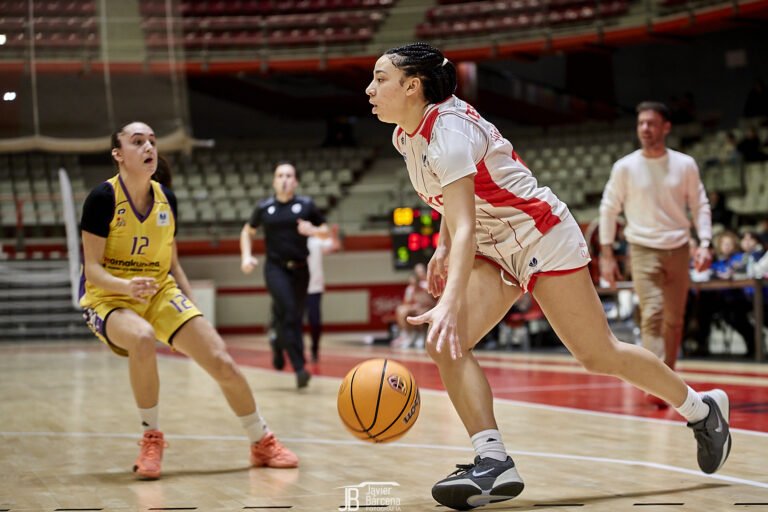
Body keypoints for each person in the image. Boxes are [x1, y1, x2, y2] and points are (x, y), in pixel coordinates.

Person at [365, 43, 731, 511]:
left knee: (598, 354)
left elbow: (467, 226)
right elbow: (453, 202)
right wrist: (439, 245)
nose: (370, 89)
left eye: (380, 78)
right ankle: (492, 460)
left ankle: (702, 411)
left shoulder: (450, 132)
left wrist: (449, 298)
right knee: (446, 343)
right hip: (495, 245)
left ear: (412, 86)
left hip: (540, 235)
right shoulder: (405, 135)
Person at [79, 122, 298, 480]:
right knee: (142, 337)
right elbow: (91, 271)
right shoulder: (102, 199)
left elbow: (171, 263)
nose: (148, 146)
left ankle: (261, 441)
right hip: (109, 296)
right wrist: (126, 285)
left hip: (158, 290)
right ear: (118, 154)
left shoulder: (167, 200)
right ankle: (151, 437)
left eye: (151, 140)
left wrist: (194, 311)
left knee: (222, 362)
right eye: (137, 142)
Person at [599, 101, 713, 385]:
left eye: (651, 123)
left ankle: (668, 377)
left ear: (666, 127)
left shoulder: (685, 164)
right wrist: (607, 253)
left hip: (679, 247)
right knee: (652, 313)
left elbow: (700, 205)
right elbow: (608, 209)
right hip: (642, 248)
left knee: (674, 319)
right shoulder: (625, 167)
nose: (645, 128)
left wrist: (705, 242)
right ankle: (657, 382)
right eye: (641, 123)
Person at [240, 162, 328, 388]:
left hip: (301, 269)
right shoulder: (265, 208)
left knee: (291, 316)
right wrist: (246, 256)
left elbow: (325, 231)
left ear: (296, 181)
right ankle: (300, 368)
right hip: (275, 269)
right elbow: (247, 231)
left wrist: (313, 230)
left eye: (289, 175)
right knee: (290, 312)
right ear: (274, 181)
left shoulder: (306, 205)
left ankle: (277, 343)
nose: (285, 179)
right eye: (280, 175)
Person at [305, 223, 341, 362]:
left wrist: (333, 234)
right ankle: (296, 352)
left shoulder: (316, 241)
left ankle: (315, 350)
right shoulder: (294, 242)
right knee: (294, 321)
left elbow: (335, 246)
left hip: (315, 288)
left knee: (315, 321)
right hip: (298, 289)